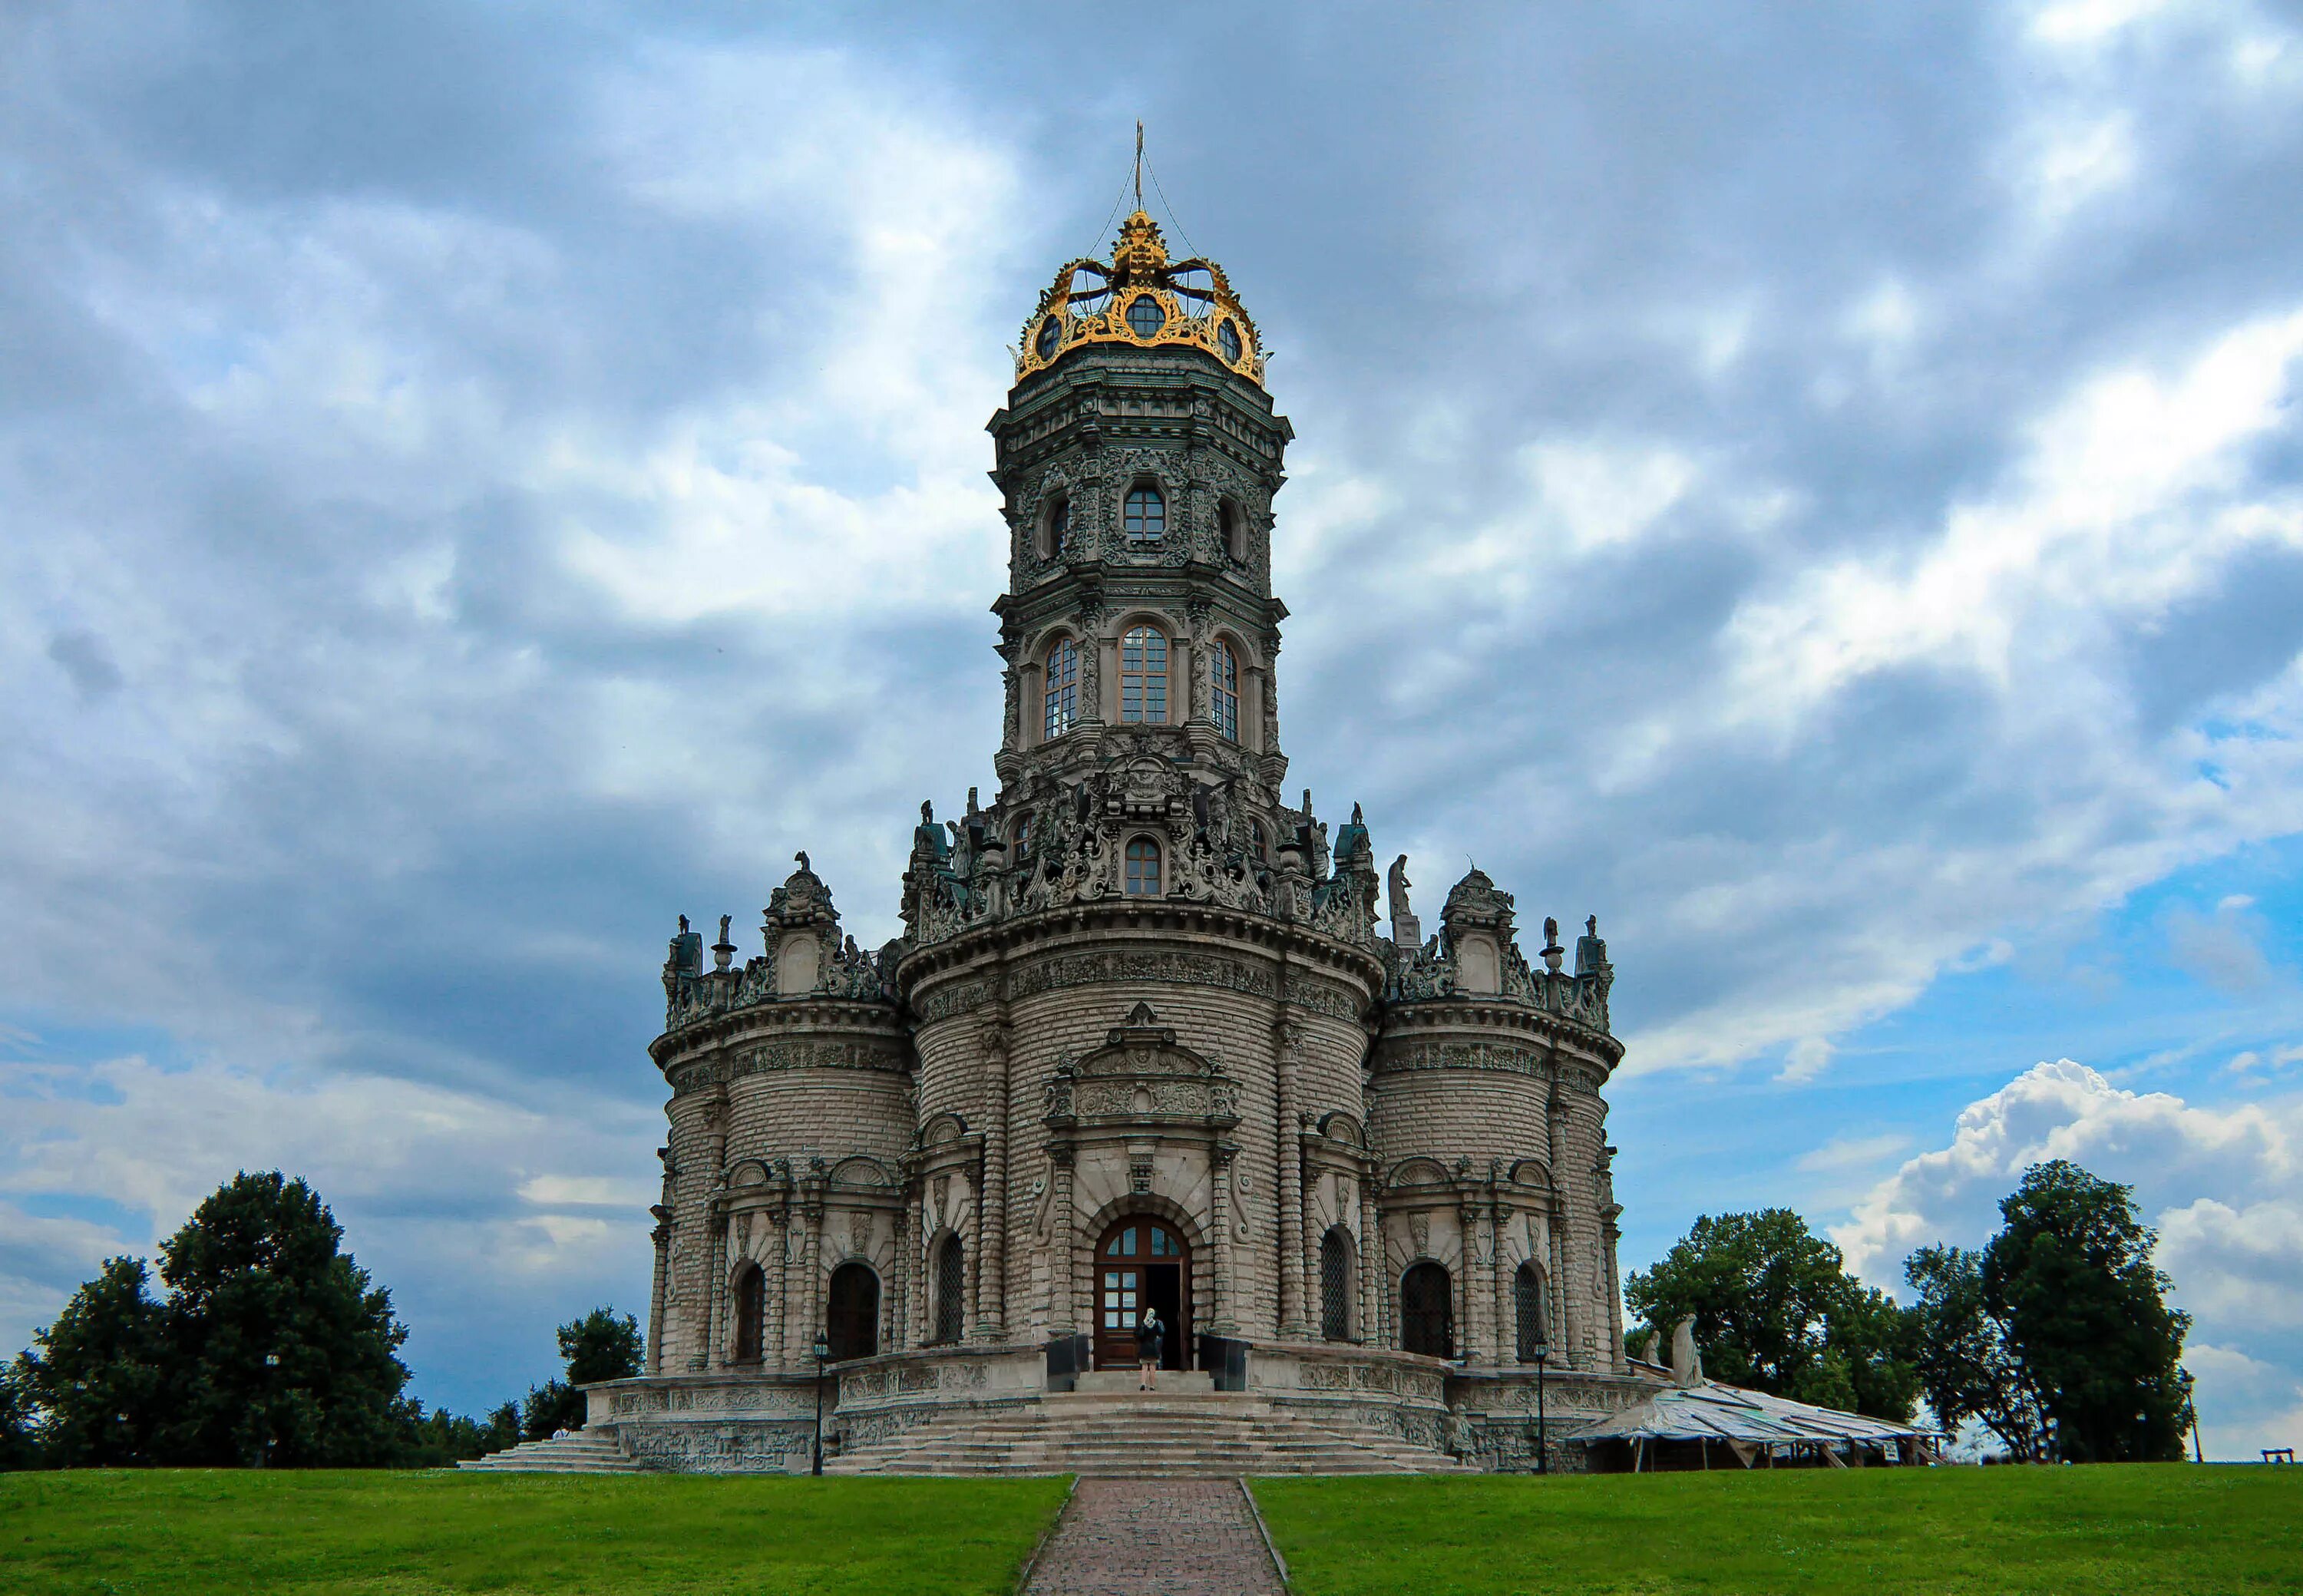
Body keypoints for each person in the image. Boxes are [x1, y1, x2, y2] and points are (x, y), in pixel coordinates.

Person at [1136, 1307, 1164, 1392]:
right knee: (1152, 1367)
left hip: (1144, 1348)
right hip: (1153, 1348)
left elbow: (1138, 1335)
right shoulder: (1156, 1324)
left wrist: (1143, 1324)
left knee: (1144, 1367)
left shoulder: (1143, 1324)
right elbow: (1161, 1332)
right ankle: (1152, 1385)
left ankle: (1143, 1384)